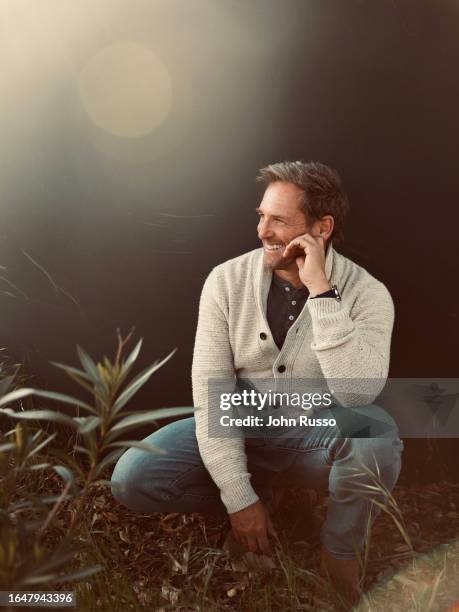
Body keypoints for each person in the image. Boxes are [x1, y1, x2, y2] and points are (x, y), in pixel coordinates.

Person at [111, 161, 403, 606]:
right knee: (133, 478)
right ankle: (264, 496)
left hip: (315, 436)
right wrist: (239, 500)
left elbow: (357, 394)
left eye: (279, 220)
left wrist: (323, 293)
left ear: (321, 228)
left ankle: (340, 553)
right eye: (261, 216)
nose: (263, 230)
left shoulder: (368, 293)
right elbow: (213, 398)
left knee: (376, 435)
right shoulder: (225, 281)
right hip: (238, 425)